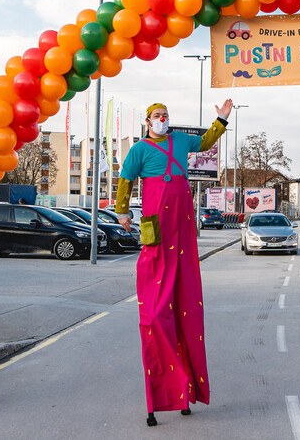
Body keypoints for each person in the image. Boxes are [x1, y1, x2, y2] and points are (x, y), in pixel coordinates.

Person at [114, 99, 233, 427]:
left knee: (185, 302)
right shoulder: (139, 150)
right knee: (155, 312)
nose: (162, 120)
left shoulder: (180, 140)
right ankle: (162, 390)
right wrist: (122, 211)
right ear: (148, 120)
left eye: (166, 116)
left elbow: (207, 141)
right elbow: (125, 179)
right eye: (157, 116)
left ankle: (184, 387)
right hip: (156, 226)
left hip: (182, 222)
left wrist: (221, 119)